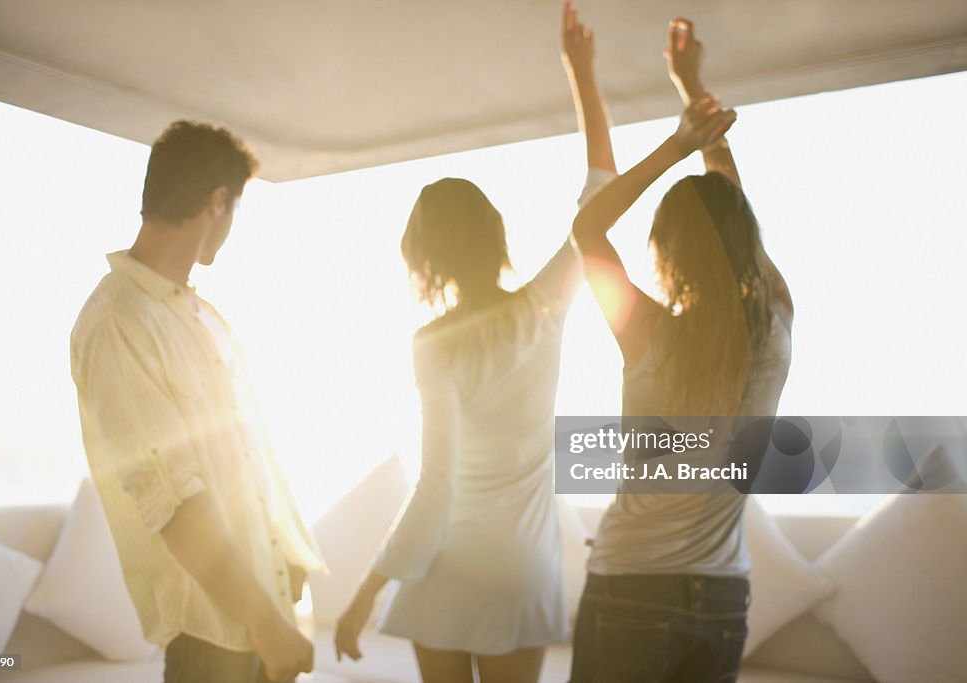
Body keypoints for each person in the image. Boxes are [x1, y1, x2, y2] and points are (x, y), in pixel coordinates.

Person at [332, 4, 616, 680]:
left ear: (426, 256)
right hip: (523, 572)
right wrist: (581, 73)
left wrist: (365, 593)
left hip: (450, 570)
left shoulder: (434, 344)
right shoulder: (545, 305)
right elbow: (601, 188)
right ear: (493, 234)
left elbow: (435, 489)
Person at [568, 18, 794, 683]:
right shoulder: (775, 331)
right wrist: (693, 91)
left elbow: (587, 227)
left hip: (631, 588)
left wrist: (678, 142)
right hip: (723, 599)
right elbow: (735, 221)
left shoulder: (647, 332)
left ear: (665, 251)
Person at [70, 121, 324, 683]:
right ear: (217, 202)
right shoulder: (119, 321)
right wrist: (264, 621)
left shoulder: (203, 316)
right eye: (235, 211)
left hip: (263, 612)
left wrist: (288, 554)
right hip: (213, 636)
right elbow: (171, 498)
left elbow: (252, 447)